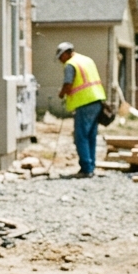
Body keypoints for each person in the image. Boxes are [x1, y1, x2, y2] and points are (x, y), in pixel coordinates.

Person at [56, 41, 106, 178]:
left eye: (61, 57)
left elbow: (68, 84)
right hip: (97, 100)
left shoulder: (70, 64)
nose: (61, 61)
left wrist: (61, 94)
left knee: (81, 137)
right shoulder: (86, 60)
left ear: (66, 53)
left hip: (84, 102)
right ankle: (91, 166)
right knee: (91, 136)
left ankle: (86, 168)